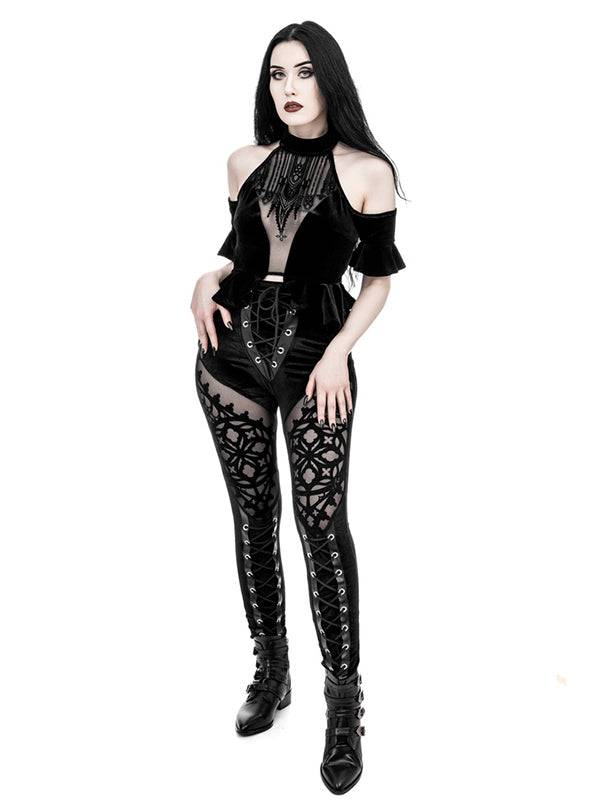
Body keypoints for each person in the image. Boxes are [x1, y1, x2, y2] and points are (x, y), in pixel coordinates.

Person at [190, 20, 407, 795]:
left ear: (329, 80)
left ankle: (343, 705)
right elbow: (243, 250)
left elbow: (377, 278)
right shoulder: (243, 162)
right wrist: (205, 279)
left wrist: (342, 348)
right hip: (229, 359)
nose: (288, 87)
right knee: (253, 517)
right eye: (277, 73)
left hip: (318, 360)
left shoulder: (366, 171)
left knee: (321, 525)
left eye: (304, 72)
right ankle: (271, 670)